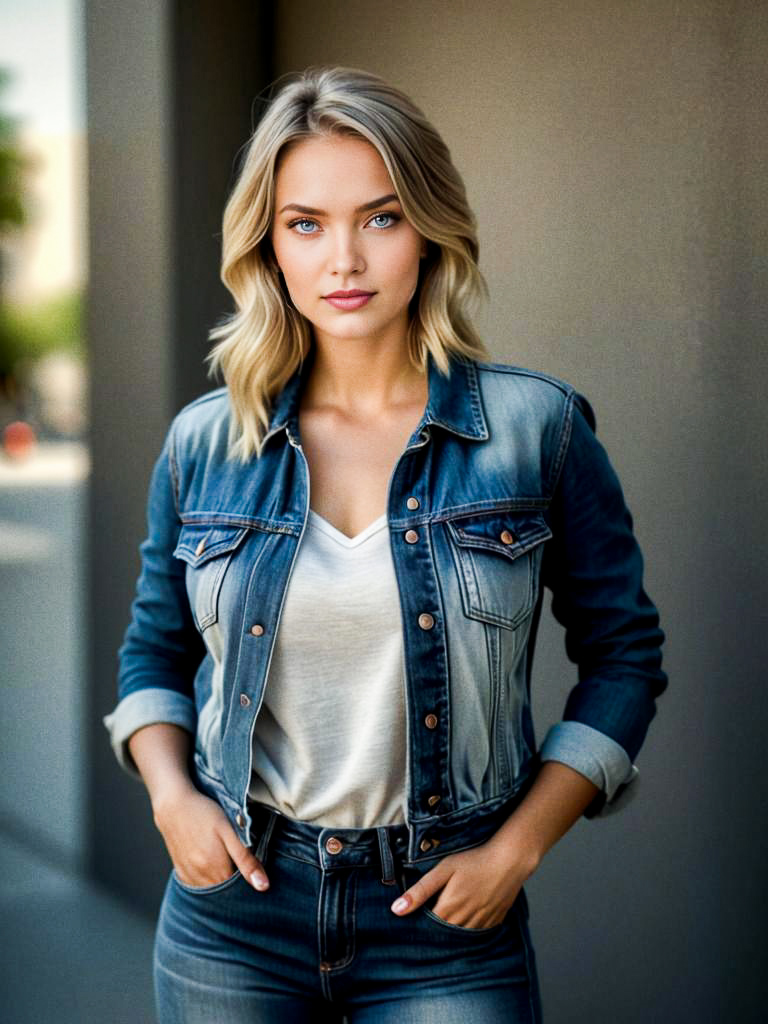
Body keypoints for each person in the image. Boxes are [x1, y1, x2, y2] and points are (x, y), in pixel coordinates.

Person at [104, 65, 667, 1023]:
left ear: (431, 229)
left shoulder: (539, 430)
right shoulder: (208, 441)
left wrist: (517, 850)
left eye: (382, 216)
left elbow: (624, 655)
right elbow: (153, 652)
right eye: (306, 223)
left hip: (444, 925)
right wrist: (171, 800)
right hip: (234, 912)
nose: (345, 261)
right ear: (269, 244)